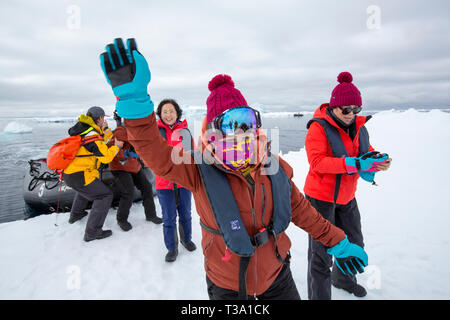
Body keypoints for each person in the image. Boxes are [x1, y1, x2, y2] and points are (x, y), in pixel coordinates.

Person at [99, 38, 369, 300]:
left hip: (277, 276)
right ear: (215, 128)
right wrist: (134, 104)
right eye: (232, 123)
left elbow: (303, 211)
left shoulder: (274, 167)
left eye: (248, 120)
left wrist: (338, 241)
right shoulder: (196, 169)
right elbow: (155, 153)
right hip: (227, 284)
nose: (243, 131)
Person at [304, 71, 392, 299]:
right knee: (321, 253)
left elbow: (366, 152)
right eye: (346, 109)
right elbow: (317, 162)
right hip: (320, 199)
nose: (351, 114)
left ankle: (343, 280)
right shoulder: (318, 127)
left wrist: (377, 160)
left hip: (346, 196)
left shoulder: (360, 128)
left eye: (356, 109)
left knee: (354, 242)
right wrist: (353, 164)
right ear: (334, 107)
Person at [63, 106, 123, 242]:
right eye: (104, 118)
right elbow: (106, 157)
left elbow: (100, 140)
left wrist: (106, 130)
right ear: (100, 118)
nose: (104, 120)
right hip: (80, 174)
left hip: (71, 173)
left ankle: (76, 214)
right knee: (105, 195)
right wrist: (116, 147)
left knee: (85, 189)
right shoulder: (92, 135)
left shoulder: (84, 129)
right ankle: (93, 232)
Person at [155, 99, 196, 262]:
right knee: (168, 217)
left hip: (183, 182)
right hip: (164, 183)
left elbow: (191, 156)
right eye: (165, 111)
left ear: (177, 113)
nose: (168, 114)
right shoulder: (156, 133)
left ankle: (186, 239)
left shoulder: (185, 132)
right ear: (160, 114)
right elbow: (151, 156)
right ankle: (172, 247)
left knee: (186, 214)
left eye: (171, 111)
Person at [108, 112, 162, 232]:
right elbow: (113, 152)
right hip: (119, 167)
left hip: (134, 166)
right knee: (128, 192)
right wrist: (129, 153)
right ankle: (121, 219)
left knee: (147, 187)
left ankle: (151, 215)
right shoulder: (120, 131)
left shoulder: (138, 132)